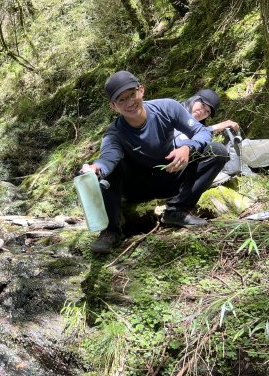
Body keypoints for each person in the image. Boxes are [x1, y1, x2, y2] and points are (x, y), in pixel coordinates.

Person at [82, 71, 229, 254]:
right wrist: (96, 169)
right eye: (121, 100)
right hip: (136, 187)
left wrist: (187, 148)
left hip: (170, 173)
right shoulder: (115, 133)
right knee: (113, 169)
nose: (129, 102)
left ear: (141, 90)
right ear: (113, 106)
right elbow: (108, 158)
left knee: (218, 152)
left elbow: (203, 132)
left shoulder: (167, 108)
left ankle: (177, 211)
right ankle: (111, 231)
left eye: (132, 95)